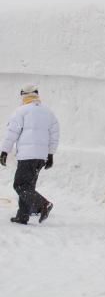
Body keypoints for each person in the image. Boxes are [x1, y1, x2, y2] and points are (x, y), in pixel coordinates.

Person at [0, 85, 58, 225]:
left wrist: (4, 151)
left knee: (20, 185)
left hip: (27, 156)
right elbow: (54, 136)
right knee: (28, 187)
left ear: (24, 96)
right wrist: (50, 155)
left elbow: (11, 134)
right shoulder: (48, 113)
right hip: (41, 157)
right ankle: (23, 216)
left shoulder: (21, 111)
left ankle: (43, 204)